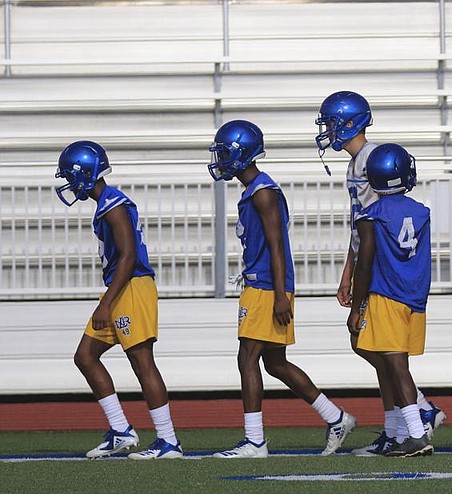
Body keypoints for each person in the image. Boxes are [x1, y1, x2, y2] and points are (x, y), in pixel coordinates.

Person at [208, 120, 355, 458]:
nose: (219, 160)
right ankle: (336, 418)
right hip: (263, 283)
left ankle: (255, 440)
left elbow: (277, 245)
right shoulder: (255, 191)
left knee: (247, 358)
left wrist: (277, 293)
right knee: (274, 363)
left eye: (224, 153)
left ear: (240, 153)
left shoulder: (263, 192)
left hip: (265, 285)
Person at [316, 91, 444, 455]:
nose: (327, 130)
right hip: (379, 267)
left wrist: (360, 279)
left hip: (384, 272)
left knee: (379, 349)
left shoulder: (374, 160)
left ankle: (416, 411)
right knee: (374, 348)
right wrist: (347, 272)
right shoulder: (356, 163)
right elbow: (360, 227)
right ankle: (398, 427)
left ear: (348, 122)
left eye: (330, 122)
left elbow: (374, 229)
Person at [56, 140, 183, 460]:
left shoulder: (113, 203)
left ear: (85, 173)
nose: (69, 184)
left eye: (71, 176)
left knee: (142, 362)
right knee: (85, 356)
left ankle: (168, 441)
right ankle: (121, 430)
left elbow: (127, 256)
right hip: (120, 288)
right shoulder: (107, 203)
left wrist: (105, 302)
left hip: (131, 287)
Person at [347, 143, 434, 457]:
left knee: (396, 366)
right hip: (415, 296)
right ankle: (399, 433)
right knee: (391, 362)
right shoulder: (421, 211)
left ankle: (416, 432)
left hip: (387, 295)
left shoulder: (372, 215)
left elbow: (366, 263)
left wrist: (357, 308)